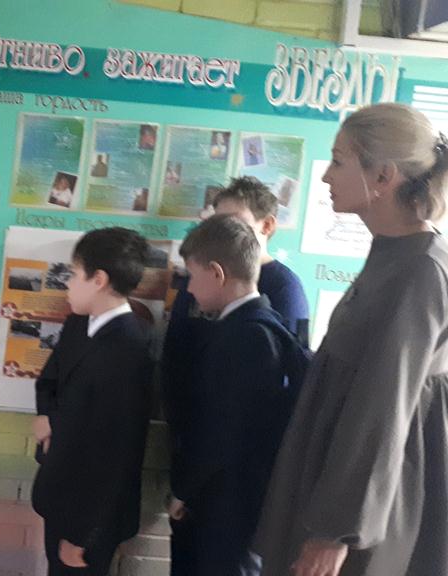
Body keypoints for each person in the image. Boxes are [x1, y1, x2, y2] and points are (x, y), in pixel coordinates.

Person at [254, 103, 448, 576]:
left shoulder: (420, 269)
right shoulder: (395, 254)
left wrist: (335, 531)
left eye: (339, 161)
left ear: (383, 176)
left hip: (367, 510)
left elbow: (384, 404)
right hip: (340, 486)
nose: (325, 175)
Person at [162, 176, 309, 576]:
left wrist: (186, 489)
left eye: (192, 278)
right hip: (218, 496)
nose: (189, 290)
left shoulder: (251, 335)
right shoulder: (249, 324)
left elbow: (225, 429)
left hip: (230, 503)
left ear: (217, 273)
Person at [30, 227, 154, 575]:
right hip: (60, 494)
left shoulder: (129, 349)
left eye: (73, 274)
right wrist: (47, 417)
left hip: (88, 518)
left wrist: (82, 535)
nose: (67, 284)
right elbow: (49, 381)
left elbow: (117, 455)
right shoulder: (78, 324)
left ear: (98, 280)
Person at [212, 176, 310, 337]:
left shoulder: (286, 286)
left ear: (266, 225)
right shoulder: (205, 274)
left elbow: (294, 349)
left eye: (235, 221)